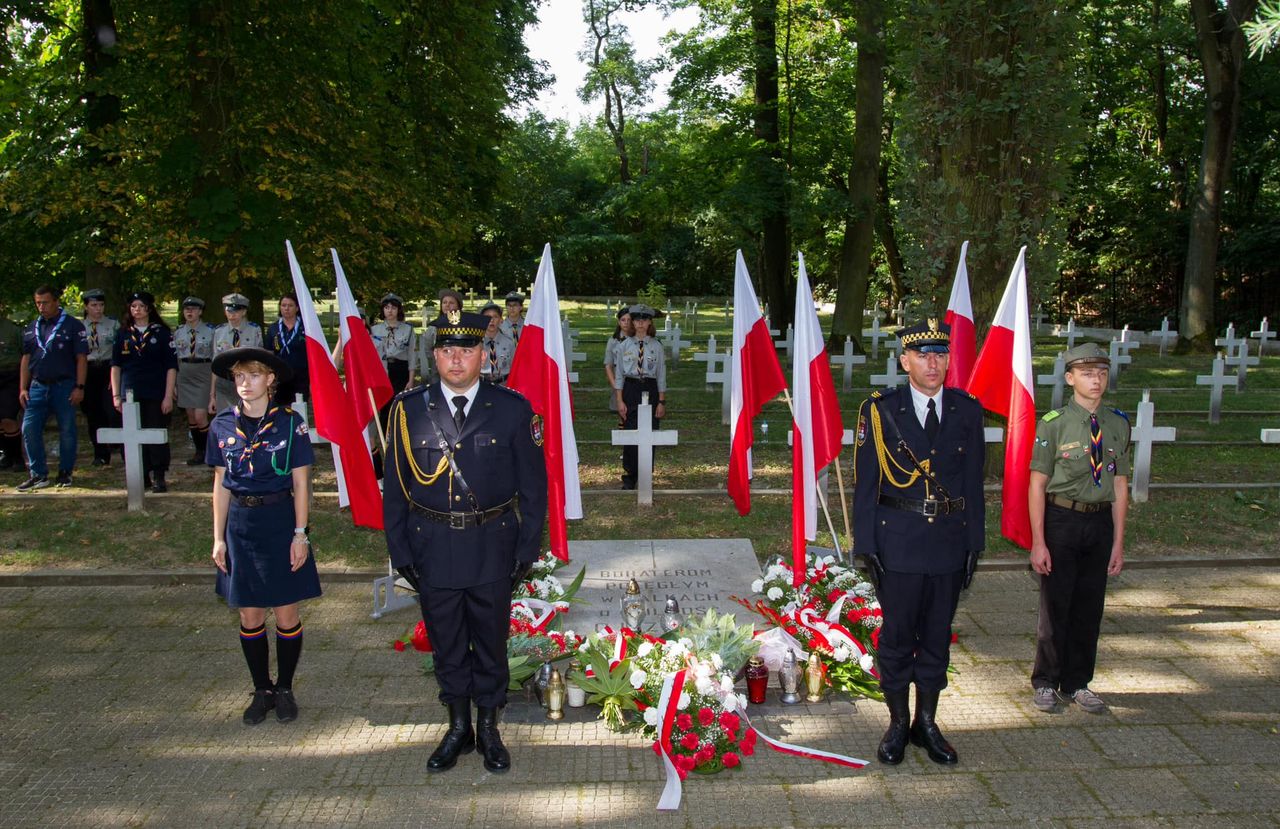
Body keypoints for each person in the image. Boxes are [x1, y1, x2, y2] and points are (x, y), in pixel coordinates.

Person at [383, 309, 547, 774]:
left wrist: (526, 551)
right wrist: (400, 552)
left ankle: (489, 727)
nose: (456, 359)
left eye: (467, 350)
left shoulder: (513, 409)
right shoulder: (408, 410)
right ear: (434, 356)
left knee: (490, 640)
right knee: (447, 641)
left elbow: (534, 489)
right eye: (447, 350)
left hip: (493, 545)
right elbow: (395, 489)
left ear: (484, 355)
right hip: (431, 544)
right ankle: (458, 727)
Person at [851, 318, 985, 766]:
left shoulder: (967, 410)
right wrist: (866, 545)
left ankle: (927, 723)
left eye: (940, 355)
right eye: (923, 355)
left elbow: (973, 484)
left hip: (948, 541)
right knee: (896, 636)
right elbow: (866, 483)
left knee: (936, 636)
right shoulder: (881, 410)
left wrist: (974, 543)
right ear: (904, 361)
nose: (933, 363)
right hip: (899, 541)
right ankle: (896, 723)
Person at [207, 346, 319, 726]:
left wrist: (300, 535)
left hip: (280, 521)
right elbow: (221, 484)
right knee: (250, 613)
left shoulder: (290, 423)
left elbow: (301, 483)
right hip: (241, 525)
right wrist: (218, 538)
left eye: (253, 375)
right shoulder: (222, 424)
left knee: (286, 612)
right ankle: (262, 690)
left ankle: (284, 688)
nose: (245, 383)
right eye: (239, 376)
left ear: (270, 380)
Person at [1028, 342, 1130, 715]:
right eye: (1087, 373)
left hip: (1099, 522)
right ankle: (1045, 681)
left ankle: (1077, 682)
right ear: (1070, 378)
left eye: (1101, 373)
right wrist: (1038, 541)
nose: (1096, 380)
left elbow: (1120, 485)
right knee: (1055, 607)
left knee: (1089, 608)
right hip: (1062, 520)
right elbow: (1037, 484)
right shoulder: (1053, 424)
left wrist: (1118, 542)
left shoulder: (1117, 423)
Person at [18, 285, 88, 491]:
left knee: (67, 429)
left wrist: (79, 386)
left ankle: (65, 472)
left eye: (45, 302)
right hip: (37, 386)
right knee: (29, 428)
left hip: (64, 385)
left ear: (56, 302)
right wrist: (23, 388)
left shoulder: (73, 325)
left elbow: (81, 358)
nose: (41, 307)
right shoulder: (32, 327)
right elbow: (26, 359)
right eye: (38, 303)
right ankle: (38, 474)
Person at [110, 291, 178, 493]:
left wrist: (168, 396)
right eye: (133, 306)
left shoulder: (162, 333)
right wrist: (116, 395)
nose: (137, 310)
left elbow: (171, 367)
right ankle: (141, 474)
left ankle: (159, 474)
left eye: (141, 306)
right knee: (131, 434)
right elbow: (116, 366)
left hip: (155, 391)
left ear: (149, 308)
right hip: (130, 391)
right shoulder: (123, 333)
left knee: (155, 432)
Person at [613, 304, 666, 490]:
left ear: (650, 322)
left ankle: (645, 473)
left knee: (650, 430)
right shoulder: (623, 346)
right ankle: (629, 475)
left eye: (644, 320)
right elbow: (619, 375)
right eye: (637, 320)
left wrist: (661, 401)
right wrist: (619, 400)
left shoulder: (657, 346)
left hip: (650, 389)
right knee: (630, 430)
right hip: (631, 388)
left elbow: (661, 375)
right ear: (633, 323)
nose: (640, 323)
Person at [81, 288, 121, 466]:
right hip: (88, 370)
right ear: (86, 306)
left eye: (101, 305)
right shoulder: (79, 327)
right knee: (93, 412)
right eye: (94, 305)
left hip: (108, 368)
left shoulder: (113, 324)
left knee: (112, 410)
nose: (98, 309)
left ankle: (119, 444)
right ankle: (100, 453)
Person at [174, 296, 217, 465]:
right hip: (185, 373)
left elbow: (215, 356)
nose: (189, 312)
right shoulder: (178, 332)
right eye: (186, 309)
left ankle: (209, 451)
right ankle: (199, 452)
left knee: (200, 416)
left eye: (193, 309)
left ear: (200, 312)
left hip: (203, 372)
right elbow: (175, 358)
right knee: (191, 416)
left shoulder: (211, 331)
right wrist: (174, 384)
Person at [210, 293, 263, 412]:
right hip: (224, 382)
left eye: (236, 311)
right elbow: (215, 363)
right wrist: (212, 395)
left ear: (244, 312)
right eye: (229, 311)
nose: (232, 315)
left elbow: (260, 361)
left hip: (247, 382)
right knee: (225, 418)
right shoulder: (219, 331)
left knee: (247, 416)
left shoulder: (254, 330)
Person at [264, 292, 310, 404]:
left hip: (301, 377)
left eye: (290, 305)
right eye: (283, 305)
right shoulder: (273, 328)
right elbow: (269, 353)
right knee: (279, 409)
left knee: (299, 408)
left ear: (297, 308)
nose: (286, 308)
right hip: (279, 378)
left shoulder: (306, 327)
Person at [371, 294, 417, 395]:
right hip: (381, 369)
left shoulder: (408, 329)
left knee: (400, 401)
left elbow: (412, 355)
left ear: (398, 310)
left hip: (401, 370)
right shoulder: (374, 330)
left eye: (393, 308)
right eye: (387, 307)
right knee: (384, 401)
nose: (390, 311)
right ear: (383, 310)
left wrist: (411, 380)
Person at [416, 289, 463, 382]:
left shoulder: (465, 326)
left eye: (451, 303)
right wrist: (437, 359)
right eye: (444, 302)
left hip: (459, 369)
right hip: (438, 371)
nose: (447, 305)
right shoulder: (433, 327)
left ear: (458, 306)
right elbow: (427, 347)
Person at [0, 307, 24, 471]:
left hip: (10, 376)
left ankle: (17, 457)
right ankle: (6, 454)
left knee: (8, 417)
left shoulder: (13, 330)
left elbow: (26, 356)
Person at [603, 307, 633, 420]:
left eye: (629, 320)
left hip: (634, 379)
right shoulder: (613, 341)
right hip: (619, 378)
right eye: (623, 320)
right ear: (619, 322)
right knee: (620, 414)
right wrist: (616, 386)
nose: (626, 323)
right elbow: (608, 365)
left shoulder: (637, 339)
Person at [478, 302, 515, 385]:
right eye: (488, 317)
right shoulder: (476, 343)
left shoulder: (509, 343)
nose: (491, 320)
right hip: (482, 384)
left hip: (504, 384)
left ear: (501, 320)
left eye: (495, 316)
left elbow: (514, 367)